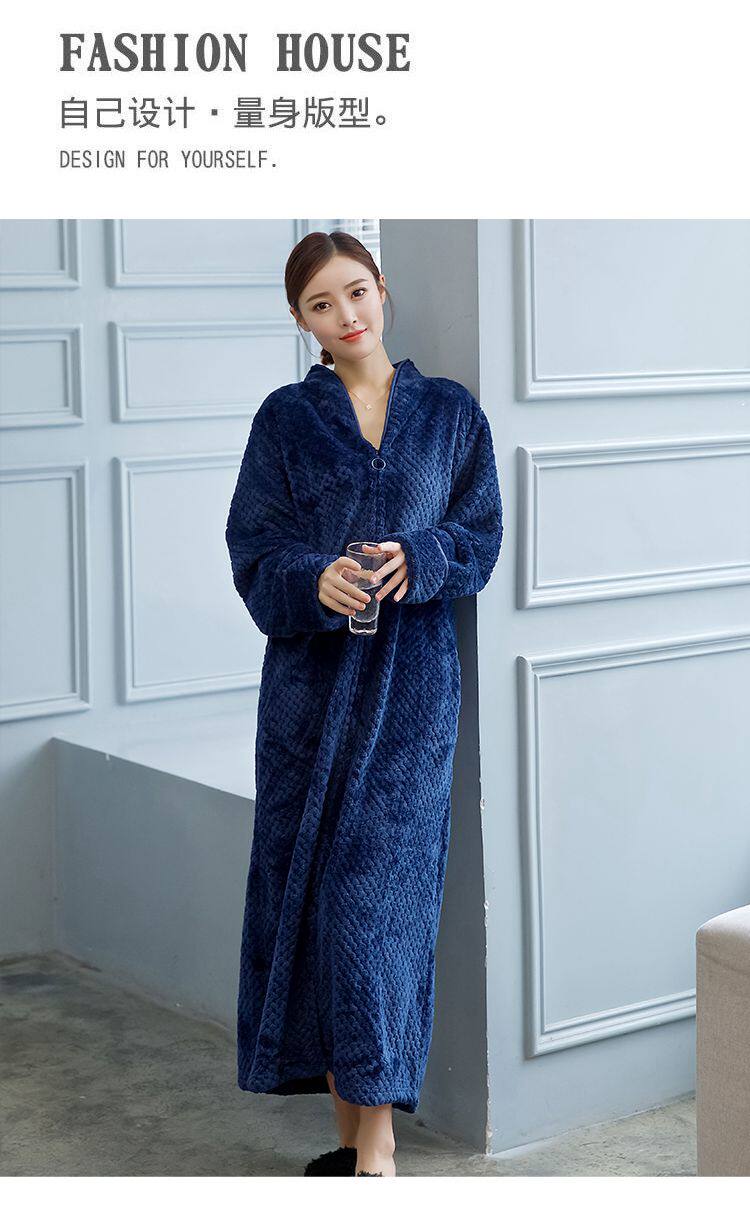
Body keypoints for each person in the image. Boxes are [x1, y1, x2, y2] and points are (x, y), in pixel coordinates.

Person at [225, 230, 503, 1177]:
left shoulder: (450, 414)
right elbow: (253, 551)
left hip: (411, 700)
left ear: (382, 288)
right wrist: (314, 579)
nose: (346, 315)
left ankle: (376, 1147)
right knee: (312, 904)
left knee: (373, 908)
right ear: (299, 320)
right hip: (307, 702)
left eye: (356, 292)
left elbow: (480, 537)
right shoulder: (285, 421)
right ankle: (349, 1138)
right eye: (321, 304)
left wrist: (419, 558)